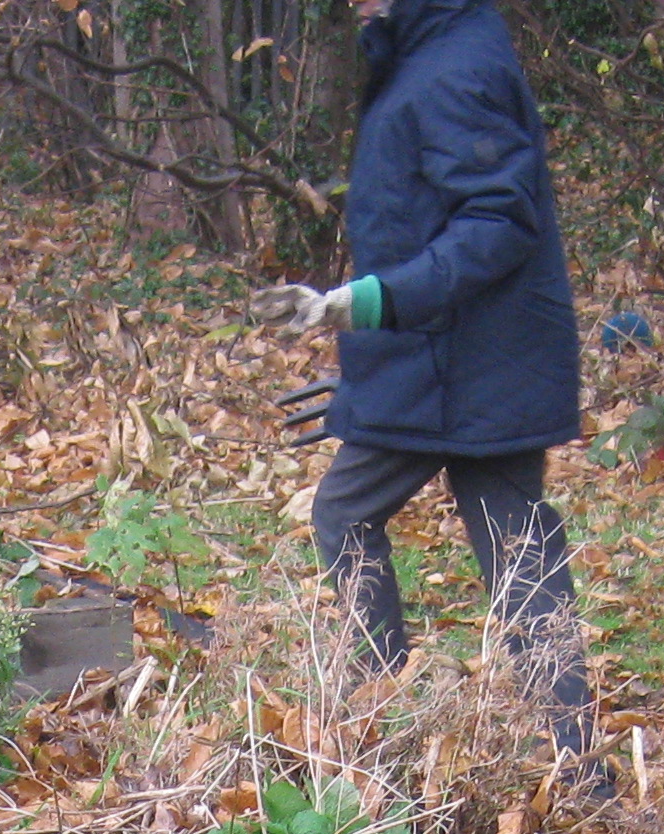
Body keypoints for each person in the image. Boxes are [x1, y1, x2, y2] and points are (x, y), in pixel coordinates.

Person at [253, 0, 588, 745]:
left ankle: (381, 728)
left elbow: (498, 223)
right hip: (464, 362)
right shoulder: (436, 50)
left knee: (347, 513)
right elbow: (427, 222)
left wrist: (370, 303)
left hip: (459, 366)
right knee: (518, 551)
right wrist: (369, 365)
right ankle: (575, 770)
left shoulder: (452, 68)